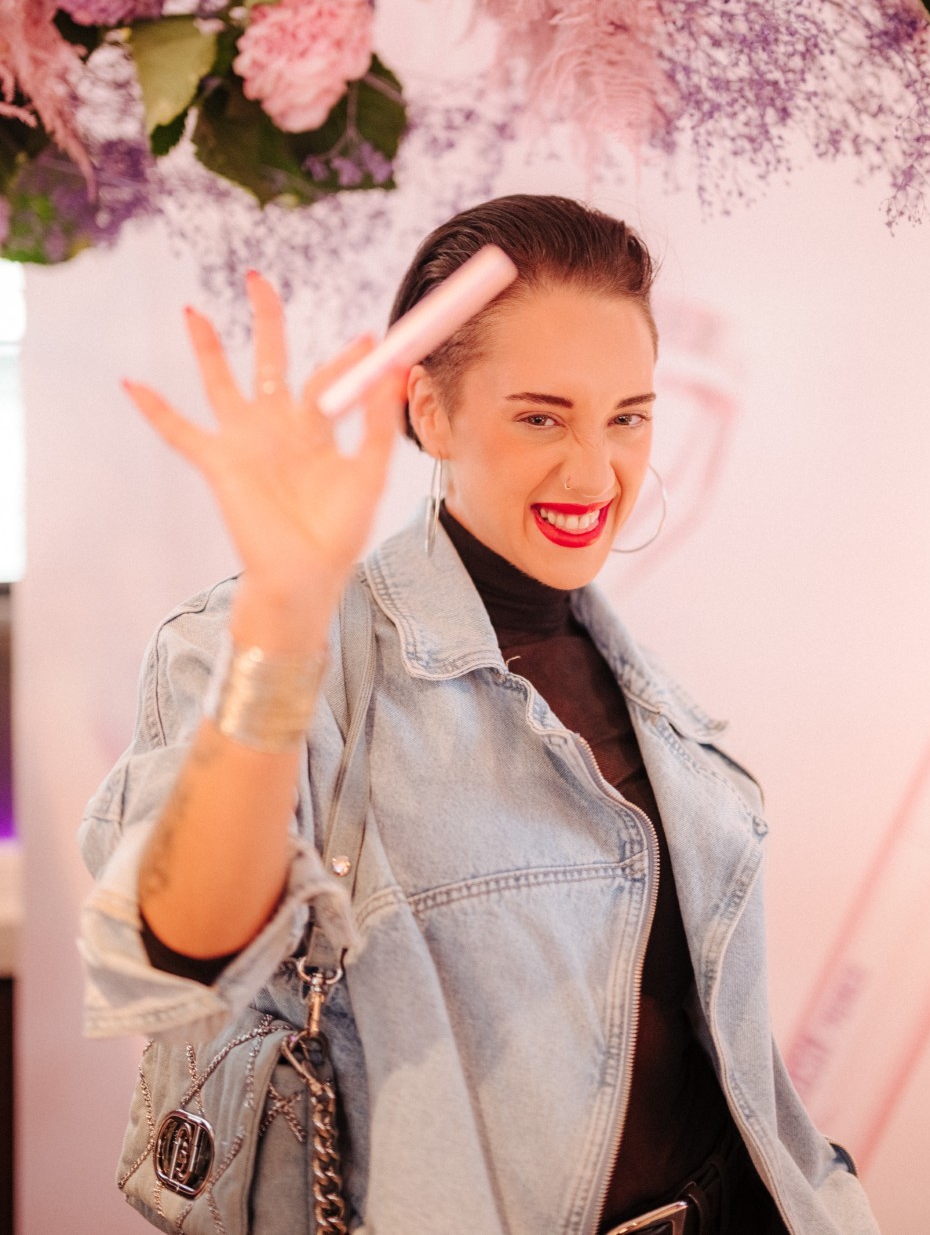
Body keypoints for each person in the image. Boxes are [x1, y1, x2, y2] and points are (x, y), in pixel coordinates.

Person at [79, 195, 880, 1235]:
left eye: (627, 417)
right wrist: (281, 616)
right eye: (540, 417)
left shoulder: (638, 686)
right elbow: (184, 947)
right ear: (430, 410)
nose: (594, 471)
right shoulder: (282, 648)